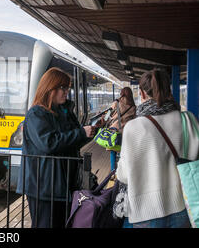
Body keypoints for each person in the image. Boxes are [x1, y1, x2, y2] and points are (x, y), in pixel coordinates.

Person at [114, 69, 199, 228]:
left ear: (142, 93)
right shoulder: (189, 119)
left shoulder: (133, 127)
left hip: (145, 211)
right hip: (184, 207)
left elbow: (123, 175)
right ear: (168, 90)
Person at [16, 67, 94, 228]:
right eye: (62, 88)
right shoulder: (36, 114)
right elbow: (48, 143)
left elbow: (74, 139)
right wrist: (80, 133)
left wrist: (90, 132)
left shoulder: (64, 111)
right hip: (44, 185)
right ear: (49, 88)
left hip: (63, 182)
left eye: (67, 88)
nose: (66, 92)